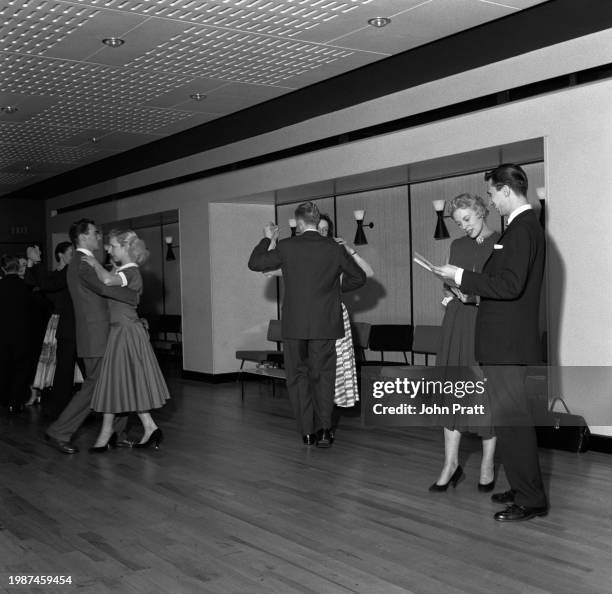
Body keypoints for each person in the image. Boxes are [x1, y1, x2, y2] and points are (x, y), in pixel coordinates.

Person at [432, 164, 547, 522]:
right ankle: (522, 485)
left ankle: (530, 499)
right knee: (509, 421)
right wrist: (466, 288)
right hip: (505, 343)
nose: (492, 201)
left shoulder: (522, 229)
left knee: (514, 422)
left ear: (506, 191)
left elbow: (510, 286)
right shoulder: (520, 229)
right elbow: (502, 283)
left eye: (493, 194)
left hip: (507, 345)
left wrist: (462, 275)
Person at [248, 202, 367, 447]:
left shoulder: (288, 246)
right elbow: (359, 277)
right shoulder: (333, 248)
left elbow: (256, 263)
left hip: (295, 326)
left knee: (297, 377)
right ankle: (325, 429)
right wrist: (334, 290)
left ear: (299, 223)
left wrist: (267, 238)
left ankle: (307, 432)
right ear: (315, 221)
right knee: (324, 376)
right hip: (325, 324)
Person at [44, 219, 138, 454]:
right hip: (95, 335)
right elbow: (106, 288)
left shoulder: (82, 263)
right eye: (96, 233)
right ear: (83, 237)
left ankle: (117, 433)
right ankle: (59, 431)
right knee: (95, 386)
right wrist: (134, 296)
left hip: (100, 333)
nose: (99, 236)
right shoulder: (84, 263)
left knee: (115, 382)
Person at [429, 194, 499, 492]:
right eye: (458, 223)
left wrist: (475, 296)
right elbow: (451, 280)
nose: (464, 227)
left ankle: (487, 464)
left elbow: (503, 290)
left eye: (467, 219)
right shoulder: (457, 245)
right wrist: (448, 293)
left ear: (482, 212)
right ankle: (451, 464)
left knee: (483, 395)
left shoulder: (502, 243)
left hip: (484, 324)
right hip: (456, 322)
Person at [82, 229, 170, 452]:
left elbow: (107, 280)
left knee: (117, 381)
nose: (108, 249)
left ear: (126, 248)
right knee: (121, 382)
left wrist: (93, 262)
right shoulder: (125, 270)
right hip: (121, 331)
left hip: (126, 333)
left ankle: (108, 434)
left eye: (112, 246)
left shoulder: (131, 272)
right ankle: (149, 427)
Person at [24, 242, 82, 419]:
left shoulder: (69, 274)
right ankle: (64, 407)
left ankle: (80, 405)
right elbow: (33, 283)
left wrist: (36, 262)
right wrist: (31, 263)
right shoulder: (55, 276)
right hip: (59, 324)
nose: (73, 256)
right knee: (60, 367)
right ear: (60, 255)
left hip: (73, 324)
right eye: (70, 253)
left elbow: (44, 283)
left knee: (74, 368)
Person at [0, 255, 35, 413]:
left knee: (4, 367)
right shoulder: (26, 287)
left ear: (3, 269)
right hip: (23, 335)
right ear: (18, 268)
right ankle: (16, 402)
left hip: (3, 335)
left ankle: (4, 400)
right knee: (21, 369)